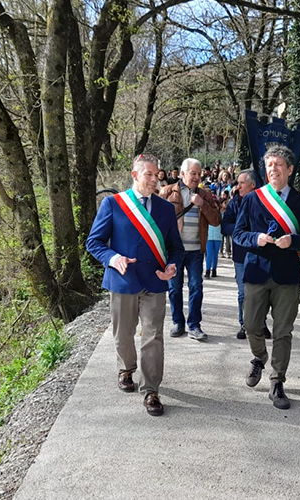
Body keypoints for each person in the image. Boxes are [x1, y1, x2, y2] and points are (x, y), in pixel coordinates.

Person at [86, 153, 184, 417]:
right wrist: (113, 258)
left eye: (157, 174)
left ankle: (151, 389)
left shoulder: (165, 209)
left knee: (153, 336)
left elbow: (176, 247)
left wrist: (172, 266)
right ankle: (126, 368)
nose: (154, 179)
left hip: (155, 282)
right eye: (149, 175)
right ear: (135, 175)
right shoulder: (113, 204)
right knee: (124, 335)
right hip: (123, 280)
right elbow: (94, 243)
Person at [233, 145, 300, 410]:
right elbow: (238, 233)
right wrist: (255, 238)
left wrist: (292, 241)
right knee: (251, 325)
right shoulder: (253, 199)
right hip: (256, 271)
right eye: (269, 165)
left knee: (283, 331)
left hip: (286, 276)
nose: (273, 170)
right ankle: (259, 357)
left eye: (279, 165)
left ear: (290, 170)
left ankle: (277, 381)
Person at [159, 158, 221, 341]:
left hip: (195, 250)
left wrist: (202, 204)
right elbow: (156, 220)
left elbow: (216, 220)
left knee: (196, 287)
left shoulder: (205, 195)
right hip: (174, 250)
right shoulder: (167, 192)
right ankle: (178, 322)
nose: (196, 177)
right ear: (183, 173)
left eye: (199, 173)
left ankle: (194, 325)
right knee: (174, 288)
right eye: (193, 173)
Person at [221, 169, 271, 341]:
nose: (238, 186)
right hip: (241, 255)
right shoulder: (234, 203)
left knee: (261, 292)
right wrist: (241, 232)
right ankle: (244, 324)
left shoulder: (264, 203)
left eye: (242, 183)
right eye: (238, 182)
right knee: (243, 292)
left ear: (252, 185)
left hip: (261, 254)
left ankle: (261, 323)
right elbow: (224, 225)